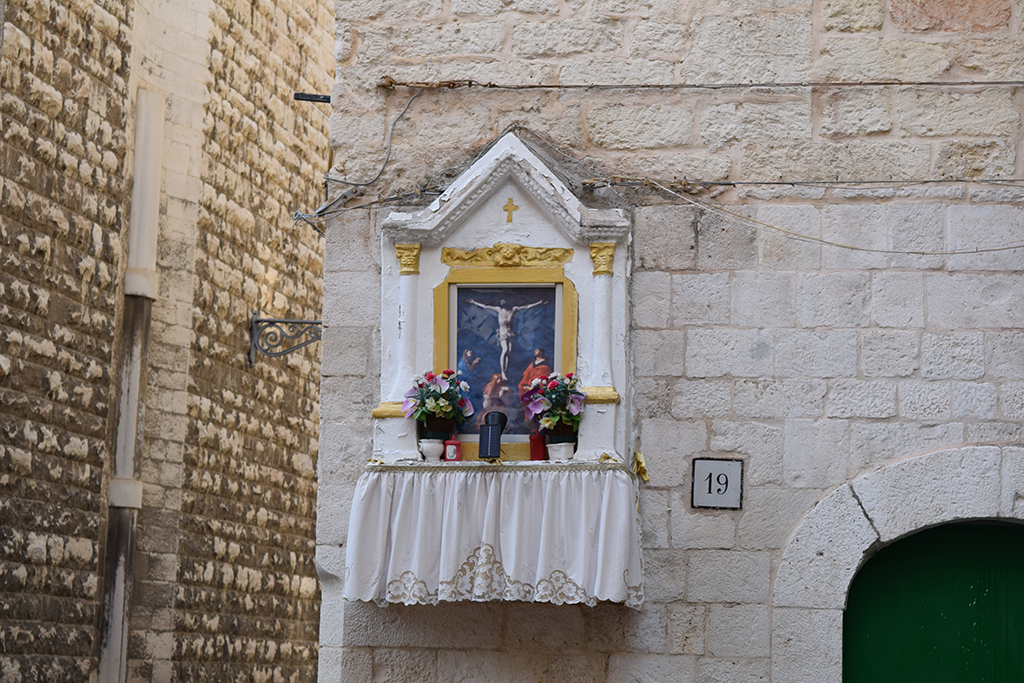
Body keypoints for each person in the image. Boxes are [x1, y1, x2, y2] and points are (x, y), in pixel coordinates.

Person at [466, 297, 547, 379]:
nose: (503, 302)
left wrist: (539, 302)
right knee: (505, 350)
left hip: (510, 334)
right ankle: (502, 372)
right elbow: (485, 307)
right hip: (503, 334)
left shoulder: (513, 310)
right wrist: (473, 302)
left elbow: (527, 307)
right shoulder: (498, 310)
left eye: (504, 300)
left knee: (509, 353)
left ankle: (506, 371)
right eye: (501, 300)